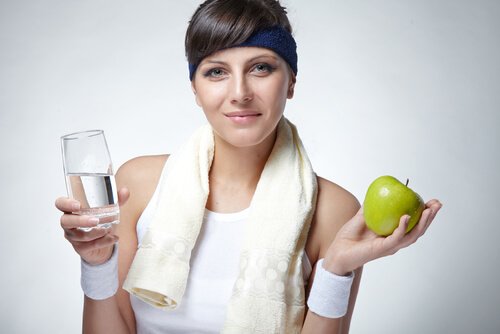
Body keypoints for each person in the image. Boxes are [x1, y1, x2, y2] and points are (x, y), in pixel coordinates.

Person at [55, 0, 442, 333]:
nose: (239, 93)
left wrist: (335, 271)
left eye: (261, 68)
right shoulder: (138, 185)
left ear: (291, 81)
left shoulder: (334, 210)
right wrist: (97, 265)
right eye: (216, 72)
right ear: (195, 87)